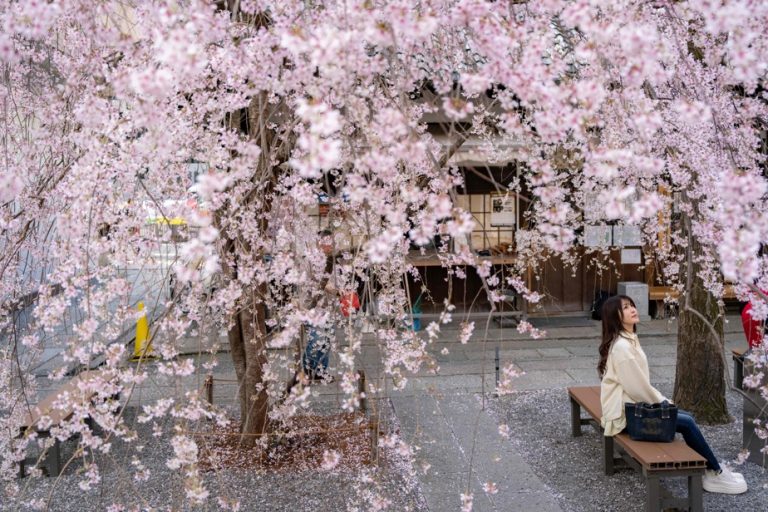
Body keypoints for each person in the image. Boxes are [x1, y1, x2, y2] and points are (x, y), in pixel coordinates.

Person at [598, 295, 748, 495]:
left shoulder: (629, 339)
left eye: (632, 305)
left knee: (688, 418)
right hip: (622, 415)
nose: (633, 309)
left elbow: (639, 386)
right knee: (687, 423)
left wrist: (663, 402)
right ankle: (715, 472)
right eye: (625, 307)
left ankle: (711, 470)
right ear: (615, 316)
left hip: (630, 406)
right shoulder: (623, 348)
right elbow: (637, 388)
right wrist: (663, 403)